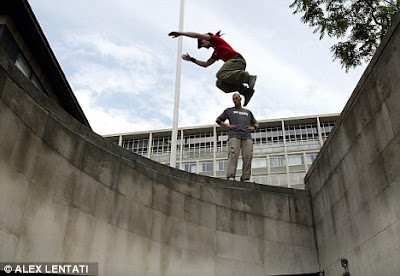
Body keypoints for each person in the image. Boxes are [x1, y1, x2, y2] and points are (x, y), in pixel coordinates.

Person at [168, 30, 257, 106]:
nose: (203, 46)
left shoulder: (215, 39)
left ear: (206, 39)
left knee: (220, 74)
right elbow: (206, 64)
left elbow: (196, 35)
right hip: (233, 65)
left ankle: (248, 78)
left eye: (202, 43)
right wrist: (191, 59)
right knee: (220, 83)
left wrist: (181, 34)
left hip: (237, 60)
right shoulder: (216, 52)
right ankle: (245, 91)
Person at [216, 93, 259, 181]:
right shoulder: (229, 110)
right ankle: (231, 176)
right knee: (233, 155)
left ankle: (245, 178)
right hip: (234, 135)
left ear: (240, 99)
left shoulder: (248, 112)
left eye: (236, 98)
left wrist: (253, 127)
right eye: (233, 99)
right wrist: (227, 125)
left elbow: (256, 123)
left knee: (248, 156)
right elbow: (218, 120)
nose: (235, 100)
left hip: (247, 136)